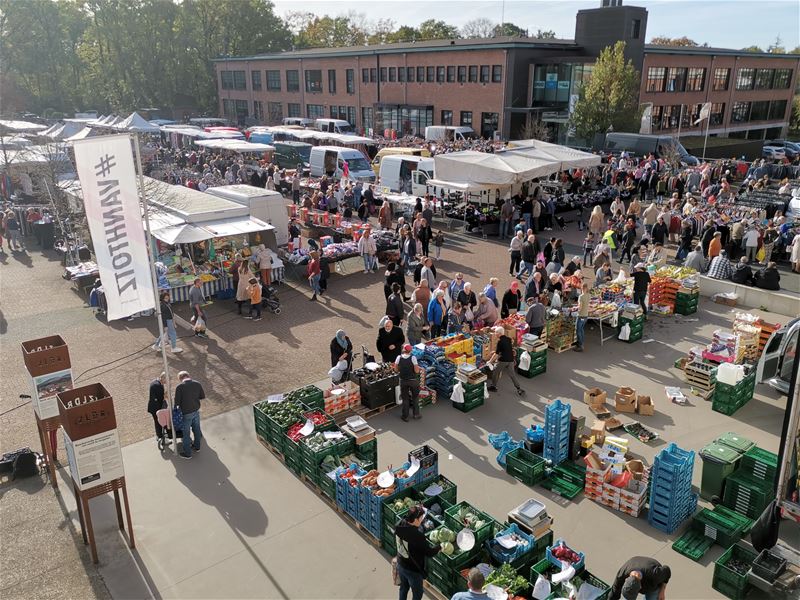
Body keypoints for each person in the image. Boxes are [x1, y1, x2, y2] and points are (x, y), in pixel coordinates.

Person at [394, 505, 441, 599]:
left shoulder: (399, 524)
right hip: (412, 570)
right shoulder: (417, 536)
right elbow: (429, 553)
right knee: (417, 593)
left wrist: (420, 509)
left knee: (403, 588)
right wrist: (439, 547)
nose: (422, 520)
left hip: (400, 563)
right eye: (421, 518)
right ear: (415, 519)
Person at [174, 371, 205, 459]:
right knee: (197, 429)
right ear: (188, 376)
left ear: (180, 378)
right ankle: (197, 447)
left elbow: (177, 403)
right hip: (196, 411)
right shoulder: (197, 384)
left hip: (186, 414)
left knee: (186, 434)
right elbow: (202, 396)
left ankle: (188, 454)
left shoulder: (179, 387)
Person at [488, 326, 524, 396]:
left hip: (503, 360)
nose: (495, 334)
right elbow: (506, 349)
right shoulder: (508, 339)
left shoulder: (500, 341)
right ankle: (518, 388)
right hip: (510, 360)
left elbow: (496, 354)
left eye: (496, 332)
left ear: (499, 333)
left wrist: (490, 361)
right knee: (512, 375)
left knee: (495, 372)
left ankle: (493, 386)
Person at [394, 344, 422, 421]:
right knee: (415, 397)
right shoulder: (413, 358)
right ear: (410, 351)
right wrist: (418, 369)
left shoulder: (398, 358)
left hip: (403, 381)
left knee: (405, 398)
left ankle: (405, 416)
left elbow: (396, 369)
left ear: (403, 350)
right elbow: (416, 371)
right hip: (413, 381)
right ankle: (416, 414)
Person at [147, 372, 171, 444]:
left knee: (157, 422)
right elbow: (161, 397)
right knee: (160, 422)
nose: (166, 382)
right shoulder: (157, 386)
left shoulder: (156, 382)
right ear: (163, 378)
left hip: (153, 407)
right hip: (156, 407)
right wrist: (165, 395)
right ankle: (162, 438)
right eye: (166, 380)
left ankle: (159, 436)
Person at [574, 283, 590, 352]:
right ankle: (582, 342)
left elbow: (580, 307)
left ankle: (580, 345)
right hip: (586, 315)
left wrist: (575, 308)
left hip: (581, 315)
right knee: (582, 329)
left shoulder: (581, 296)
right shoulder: (589, 295)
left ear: (582, 288)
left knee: (578, 330)